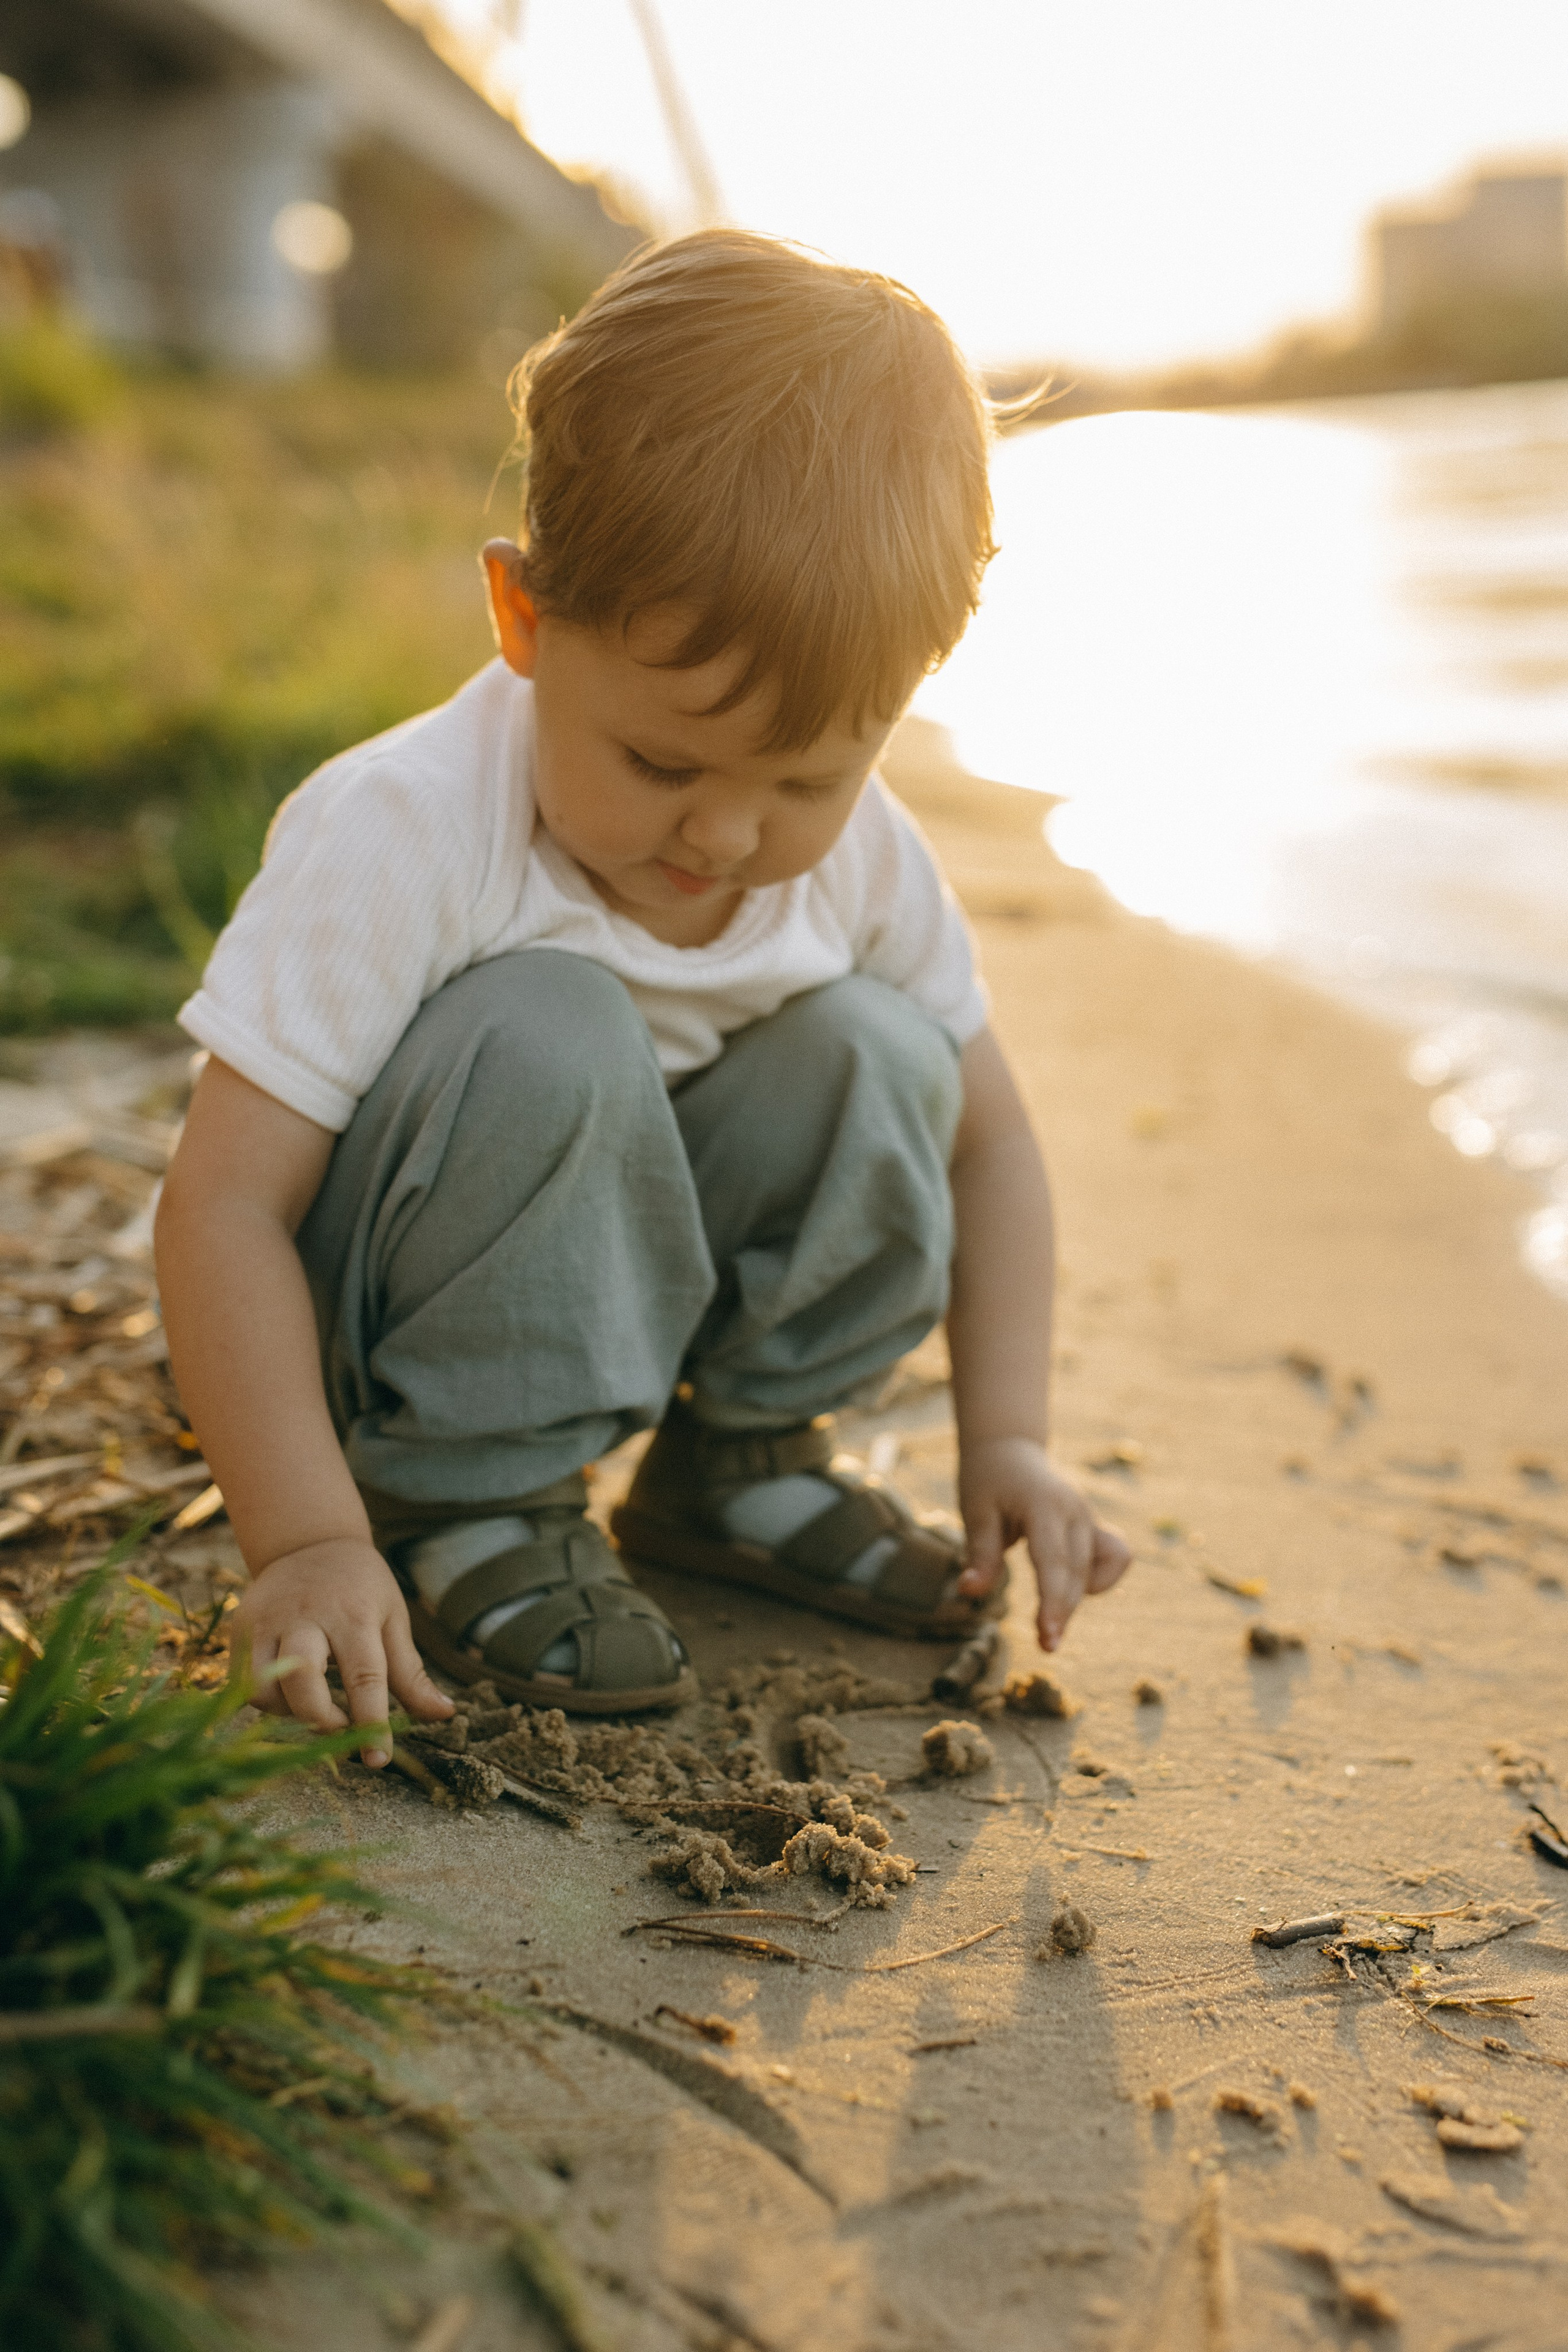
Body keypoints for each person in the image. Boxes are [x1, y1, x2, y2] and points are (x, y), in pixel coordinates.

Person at [154, 230, 1131, 1765]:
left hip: (635, 1269)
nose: (727, 837)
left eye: (808, 775)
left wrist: (1002, 1436)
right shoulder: (403, 831)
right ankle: (464, 1501)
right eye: (661, 763)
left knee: (885, 1051)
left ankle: (736, 1462)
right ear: (525, 623)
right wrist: (302, 1541)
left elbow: (990, 1146)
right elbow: (220, 1208)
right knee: (551, 1017)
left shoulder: (861, 857)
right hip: (410, 1336)